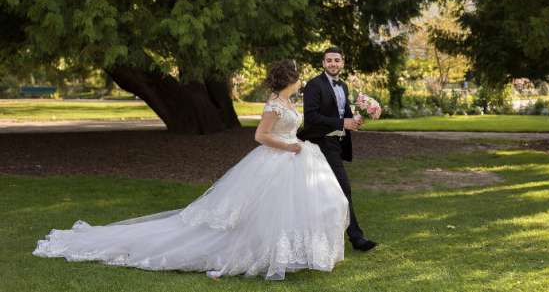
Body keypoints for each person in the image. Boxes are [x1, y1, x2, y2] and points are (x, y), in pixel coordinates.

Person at [33, 60, 349, 281]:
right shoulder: (273, 105)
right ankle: (256, 255)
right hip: (276, 158)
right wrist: (289, 146)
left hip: (294, 158)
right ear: (289, 80)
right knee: (257, 213)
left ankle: (285, 254)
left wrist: (301, 144)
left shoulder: (290, 102)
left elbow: (290, 130)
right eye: (298, 78)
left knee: (304, 207)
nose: (301, 82)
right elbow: (260, 137)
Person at [297, 47, 377, 251]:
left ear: (343, 63)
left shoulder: (343, 86)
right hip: (319, 143)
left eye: (337, 60)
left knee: (326, 191)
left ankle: (323, 235)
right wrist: (342, 123)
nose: (333, 64)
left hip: (337, 143)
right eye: (329, 60)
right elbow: (312, 118)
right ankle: (356, 238)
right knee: (344, 188)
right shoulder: (314, 86)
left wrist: (357, 118)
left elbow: (344, 112)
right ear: (323, 63)